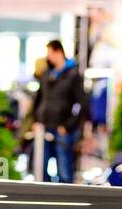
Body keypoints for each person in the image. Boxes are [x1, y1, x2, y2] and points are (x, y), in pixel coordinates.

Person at [31, 40, 89, 184]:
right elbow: (38, 100)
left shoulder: (73, 75)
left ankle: (66, 203)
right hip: (44, 128)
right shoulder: (47, 75)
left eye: (50, 53)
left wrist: (69, 125)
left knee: (64, 171)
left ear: (58, 52)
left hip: (63, 130)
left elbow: (82, 104)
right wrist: (36, 121)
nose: (48, 57)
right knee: (41, 170)